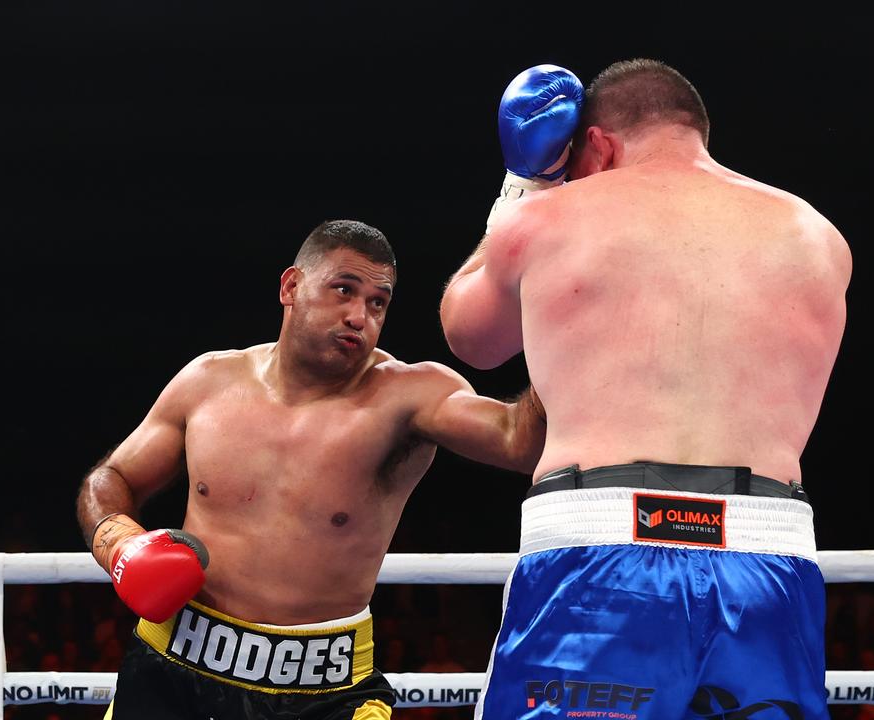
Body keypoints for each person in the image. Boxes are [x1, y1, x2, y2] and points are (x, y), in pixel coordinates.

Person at [441, 60, 851, 719]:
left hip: (601, 549)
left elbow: (471, 337)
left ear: (598, 145)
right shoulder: (815, 235)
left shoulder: (557, 213)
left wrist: (527, 185)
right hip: (770, 557)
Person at [76, 219, 546, 720]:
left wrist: (571, 315)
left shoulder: (408, 397)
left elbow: (518, 439)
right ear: (291, 286)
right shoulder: (208, 382)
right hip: (173, 670)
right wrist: (121, 546)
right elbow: (110, 478)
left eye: (377, 303)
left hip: (324, 692)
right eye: (344, 290)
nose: (359, 316)